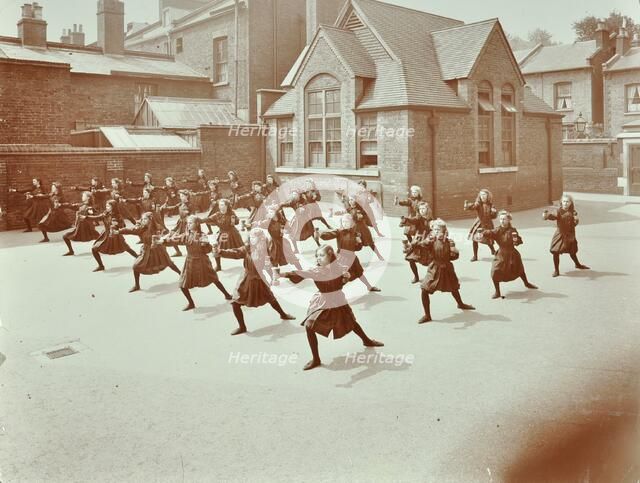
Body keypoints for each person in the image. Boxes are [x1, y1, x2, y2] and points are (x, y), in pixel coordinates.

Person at [281, 245, 384, 371]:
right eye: (317, 256)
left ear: (330, 255)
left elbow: (345, 277)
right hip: (323, 302)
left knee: (351, 322)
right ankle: (316, 359)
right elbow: (300, 273)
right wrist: (281, 274)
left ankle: (366, 340)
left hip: (338, 300)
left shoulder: (338, 268)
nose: (318, 258)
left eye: (322, 255)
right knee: (309, 325)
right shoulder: (316, 271)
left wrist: (346, 277)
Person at [214, 228, 295, 335]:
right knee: (235, 303)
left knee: (270, 298)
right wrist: (220, 251)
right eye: (251, 237)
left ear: (260, 239)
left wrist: (272, 274)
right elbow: (235, 252)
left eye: (254, 237)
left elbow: (270, 264)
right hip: (245, 279)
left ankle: (283, 314)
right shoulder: (247, 248)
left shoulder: (266, 251)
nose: (252, 239)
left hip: (259, 280)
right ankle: (242, 327)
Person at [162, 215, 232, 310]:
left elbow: (208, 249)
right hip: (190, 261)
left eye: (191, 222)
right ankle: (191, 303)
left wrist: (206, 245)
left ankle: (227, 294)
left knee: (214, 279)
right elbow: (175, 239)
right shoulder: (186, 235)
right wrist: (164, 241)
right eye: (188, 223)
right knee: (182, 284)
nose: (188, 224)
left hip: (202, 261)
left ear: (197, 224)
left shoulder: (202, 235)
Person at [415, 219, 475, 323]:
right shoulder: (431, 241)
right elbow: (422, 245)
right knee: (424, 289)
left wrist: (454, 251)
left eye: (438, 229)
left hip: (447, 268)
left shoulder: (449, 242)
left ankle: (460, 304)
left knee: (454, 288)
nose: (436, 231)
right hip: (434, 268)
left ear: (444, 231)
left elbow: (455, 255)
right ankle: (427, 315)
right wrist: (423, 242)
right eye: (434, 229)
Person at [115, 212, 180, 292]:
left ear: (150, 219)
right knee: (136, 266)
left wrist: (162, 237)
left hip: (158, 250)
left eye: (145, 219)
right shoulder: (141, 228)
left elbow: (165, 234)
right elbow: (131, 230)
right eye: (142, 219)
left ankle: (181, 275)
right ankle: (137, 285)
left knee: (169, 263)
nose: (143, 221)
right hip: (146, 251)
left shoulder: (158, 227)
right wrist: (119, 231)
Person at [315, 213, 381, 292]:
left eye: (346, 221)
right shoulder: (339, 231)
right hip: (342, 258)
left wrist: (359, 242)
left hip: (352, 258)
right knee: (340, 277)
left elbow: (358, 248)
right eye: (343, 222)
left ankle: (369, 287)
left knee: (359, 273)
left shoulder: (356, 233)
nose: (344, 223)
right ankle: (325, 291)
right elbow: (328, 235)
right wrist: (320, 234)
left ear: (352, 222)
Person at [481, 210, 538, 299]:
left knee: (519, 270)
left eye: (504, 219)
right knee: (495, 271)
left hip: (512, 253)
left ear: (508, 220)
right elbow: (490, 233)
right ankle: (497, 292)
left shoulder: (513, 230)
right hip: (501, 254)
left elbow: (518, 240)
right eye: (500, 219)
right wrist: (483, 232)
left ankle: (526, 283)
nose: (502, 221)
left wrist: (517, 241)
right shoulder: (497, 230)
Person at [543, 194, 590, 277]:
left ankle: (577, 264)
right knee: (555, 252)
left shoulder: (573, 212)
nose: (565, 203)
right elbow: (553, 216)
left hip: (570, 235)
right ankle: (556, 270)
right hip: (560, 235)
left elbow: (575, 222)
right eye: (564, 201)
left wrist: (576, 221)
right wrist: (546, 216)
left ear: (571, 203)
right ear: (561, 202)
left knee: (572, 252)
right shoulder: (558, 211)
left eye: (567, 201)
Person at [85, 200, 138, 272]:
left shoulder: (117, 216)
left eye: (108, 206)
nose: (106, 207)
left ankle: (139, 259)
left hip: (115, 235)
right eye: (106, 206)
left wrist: (115, 226)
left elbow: (119, 224)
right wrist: (86, 217)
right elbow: (98, 217)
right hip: (106, 234)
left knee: (127, 248)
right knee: (94, 249)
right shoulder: (105, 213)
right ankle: (101, 266)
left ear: (113, 207)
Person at [334, 195, 384, 260]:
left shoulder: (360, 209)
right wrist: (337, 213)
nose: (350, 201)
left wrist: (361, 216)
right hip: (354, 228)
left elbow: (364, 216)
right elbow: (344, 212)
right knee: (347, 243)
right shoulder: (349, 208)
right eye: (349, 200)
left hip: (363, 229)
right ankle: (340, 258)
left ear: (356, 201)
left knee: (370, 243)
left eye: (352, 199)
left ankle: (379, 255)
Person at [205, 198, 244, 271]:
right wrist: (198, 220)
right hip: (222, 234)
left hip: (233, 234)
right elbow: (208, 219)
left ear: (226, 206)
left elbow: (236, 222)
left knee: (241, 250)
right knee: (216, 249)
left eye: (222, 205)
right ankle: (218, 266)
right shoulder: (217, 214)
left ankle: (248, 263)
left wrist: (235, 220)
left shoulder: (231, 213)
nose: (220, 206)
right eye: (219, 205)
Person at [401, 201, 434, 283]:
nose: (422, 210)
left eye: (424, 208)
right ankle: (416, 277)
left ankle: (431, 277)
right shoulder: (419, 218)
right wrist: (406, 219)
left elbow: (434, 228)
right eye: (420, 209)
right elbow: (413, 220)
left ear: (427, 209)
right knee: (411, 259)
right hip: (418, 240)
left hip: (428, 240)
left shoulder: (431, 219)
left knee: (431, 261)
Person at [62, 191, 100, 256]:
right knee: (65, 236)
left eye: (83, 196)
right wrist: (62, 205)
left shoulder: (89, 207)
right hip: (79, 227)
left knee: (100, 238)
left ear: (88, 198)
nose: (82, 197)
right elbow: (73, 206)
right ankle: (71, 251)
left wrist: (91, 213)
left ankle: (102, 247)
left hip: (87, 227)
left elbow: (95, 215)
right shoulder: (82, 204)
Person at [464, 189, 497, 261]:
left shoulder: (491, 205)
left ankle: (493, 251)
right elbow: (474, 206)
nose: (483, 196)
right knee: (475, 239)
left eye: (484, 195)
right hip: (479, 223)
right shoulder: (478, 204)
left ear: (488, 196)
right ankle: (475, 256)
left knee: (488, 239)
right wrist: (468, 206)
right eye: (481, 195)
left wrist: (493, 213)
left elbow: (493, 216)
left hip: (487, 224)